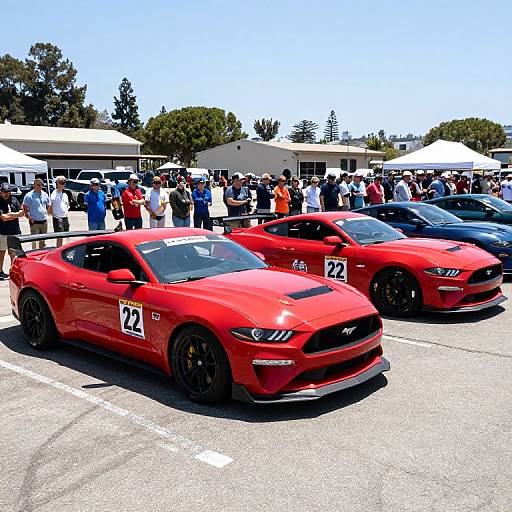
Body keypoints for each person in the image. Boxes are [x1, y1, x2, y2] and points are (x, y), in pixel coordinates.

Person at [0, 183, 24, 279]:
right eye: (5, 192)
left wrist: (11, 215)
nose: (7, 194)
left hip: (14, 231)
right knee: (1, 253)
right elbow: (3, 217)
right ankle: (0, 271)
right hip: (2, 232)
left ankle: (12, 271)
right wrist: (15, 215)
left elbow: (22, 213)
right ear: (0, 192)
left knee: (13, 253)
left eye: (9, 191)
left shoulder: (14, 199)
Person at [22, 178, 51, 249]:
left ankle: (41, 257)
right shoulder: (29, 196)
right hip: (34, 223)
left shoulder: (45, 194)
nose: (40, 186)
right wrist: (30, 218)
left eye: (42, 185)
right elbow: (25, 209)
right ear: (34, 185)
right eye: (38, 185)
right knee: (35, 242)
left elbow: (48, 205)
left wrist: (48, 213)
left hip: (44, 222)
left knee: (43, 242)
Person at [50, 176, 70, 247]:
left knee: (67, 236)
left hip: (65, 217)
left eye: (64, 182)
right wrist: (53, 214)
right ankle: (58, 251)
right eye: (61, 182)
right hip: (57, 218)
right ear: (56, 183)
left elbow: (67, 205)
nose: (63, 184)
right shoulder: (53, 194)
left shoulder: (65, 194)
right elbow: (50, 206)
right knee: (59, 237)